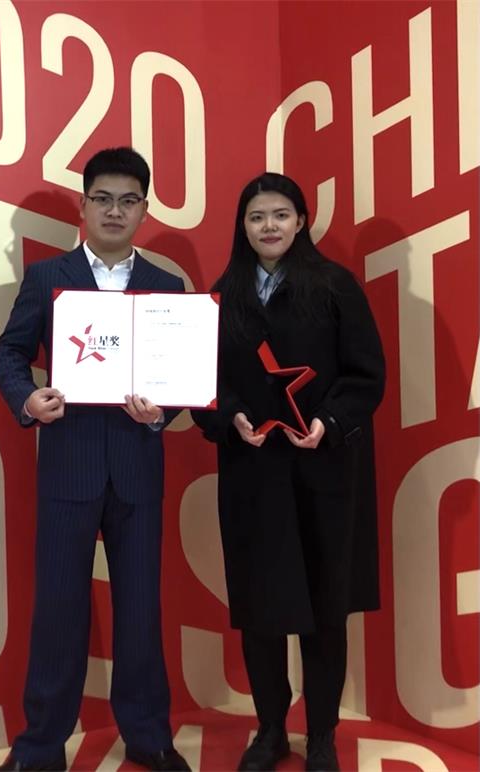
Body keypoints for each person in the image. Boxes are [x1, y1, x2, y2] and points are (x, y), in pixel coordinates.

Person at [0, 147, 190, 772]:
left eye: (128, 201)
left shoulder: (167, 286)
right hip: (68, 467)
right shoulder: (46, 278)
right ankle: (40, 747)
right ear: (83, 206)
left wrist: (159, 413)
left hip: (137, 468)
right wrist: (28, 400)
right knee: (57, 612)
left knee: (141, 612)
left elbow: (180, 377)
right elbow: (9, 353)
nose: (114, 211)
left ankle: (150, 738)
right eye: (102, 199)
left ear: (144, 210)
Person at [192, 173, 385, 772]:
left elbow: (367, 374)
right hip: (253, 471)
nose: (269, 226)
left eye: (280, 214)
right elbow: (204, 383)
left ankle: (321, 733)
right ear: (242, 226)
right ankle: (271, 730)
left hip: (324, 470)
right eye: (257, 217)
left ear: (301, 220)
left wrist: (329, 421)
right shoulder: (222, 296)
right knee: (261, 607)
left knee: (326, 608)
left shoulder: (334, 286)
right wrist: (230, 417)